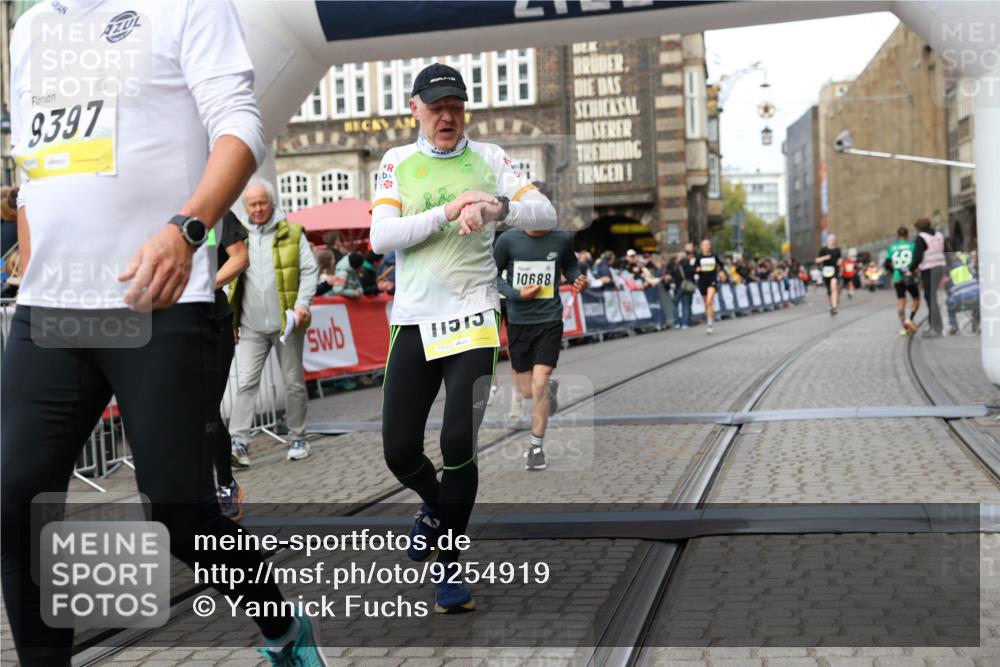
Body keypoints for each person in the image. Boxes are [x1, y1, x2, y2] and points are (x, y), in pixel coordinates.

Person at [2, 2, 327, 665]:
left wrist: (189, 227)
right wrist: (32, 259)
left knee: (179, 512)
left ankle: (281, 626)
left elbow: (239, 123)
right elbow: (33, 162)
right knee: (12, 499)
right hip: (52, 312)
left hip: (159, 300)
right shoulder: (31, 27)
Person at [370, 63, 556, 614]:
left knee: (456, 443)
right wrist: (450, 210)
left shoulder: (492, 158)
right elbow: (382, 235)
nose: (446, 116)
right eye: (435, 107)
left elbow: (544, 212)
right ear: (415, 109)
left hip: (472, 318)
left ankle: (449, 562)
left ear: (465, 109)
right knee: (399, 450)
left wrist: (497, 205)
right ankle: (438, 511)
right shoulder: (395, 163)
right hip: (414, 321)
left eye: (455, 106)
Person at [494, 187, 587, 470]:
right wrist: (517, 294)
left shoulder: (561, 238)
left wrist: (577, 279)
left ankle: (536, 448)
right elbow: (492, 278)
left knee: (539, 384)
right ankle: (549, 390)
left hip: (549, 320)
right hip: (520, 322)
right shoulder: (507, 239)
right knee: (526, 391)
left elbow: (570, 266)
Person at [228, 179, 319, 465]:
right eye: (252, 204)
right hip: (250, 324)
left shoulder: (292, 232)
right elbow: (229, 280)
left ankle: (298, 437)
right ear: (245, 206)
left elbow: (308, 270)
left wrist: (302, 304)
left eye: (262, 203)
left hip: (286, 323)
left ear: (271, 202)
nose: (257, 209)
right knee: (246, 383)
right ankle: (238, 442)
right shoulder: (236, 235)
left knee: (293, 382)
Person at [213, 212, 249, 521]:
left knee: (206, 409)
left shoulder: (217, 209)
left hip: (212, 323)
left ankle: (225, 484)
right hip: (164, 328)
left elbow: (239, 258)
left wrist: (202, 286)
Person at [912, 217, 946, 338]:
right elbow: (947, 250)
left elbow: (917, 256)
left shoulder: (921, 237)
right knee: (933, 298)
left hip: (928, 269)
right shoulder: (939, 235)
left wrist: (911, 268)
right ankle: (938, 325)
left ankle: (935, 327)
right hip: (940, 267)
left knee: (930, 298)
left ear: (918, 227)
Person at [886, 226, 920, 336]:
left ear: (898, 235)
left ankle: (903, 326)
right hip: (909, 276)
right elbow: (917, 260)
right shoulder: (912, 246)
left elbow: (886, 263)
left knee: (901, 301)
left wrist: (894, 271)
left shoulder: (892, 248)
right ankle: (910, 319)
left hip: (898, 277)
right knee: (916, 299)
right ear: (907, 235)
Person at [943, 252, 979, 334]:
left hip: (960, 301)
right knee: (977, 303)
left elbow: (949, 290)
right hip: (976, 299)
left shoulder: (948, 271)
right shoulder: (968, 268)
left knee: (949, 303)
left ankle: (954, 325)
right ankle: (977, 322)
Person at [693, 238, 723, 333]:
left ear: (710, 246)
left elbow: (721, 265)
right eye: (704, 245)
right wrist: (697, 270)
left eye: (707, 244)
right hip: (702, 281)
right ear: (702, 247)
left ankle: (710, 323)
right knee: (706, 303)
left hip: (712, 280)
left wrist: (720, 271)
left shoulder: (714, 256)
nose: (706, 246)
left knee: (710, 301)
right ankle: (709, 319)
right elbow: (694, 268)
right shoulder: (698, 257)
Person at [816, 234, 842, 315]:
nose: (831, 241)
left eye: (833, 239)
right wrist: (824, 258)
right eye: (830, 239)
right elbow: (817, 260)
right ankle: (831, 304)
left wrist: (840, 262)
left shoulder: (837, 249)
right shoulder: (823, 250)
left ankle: (834, 307)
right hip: (826, 272)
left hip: (835, 271)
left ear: (834, 241)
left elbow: (840, 258)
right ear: (827, 240)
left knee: (833, 287)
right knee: (829, 290)